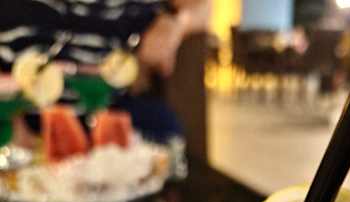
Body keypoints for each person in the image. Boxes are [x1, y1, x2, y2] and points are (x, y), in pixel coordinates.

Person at [0, 0, 211, 143]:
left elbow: (204, 9)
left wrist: (176, 23)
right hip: (18, 112)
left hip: (110, 106)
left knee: (165, 129)